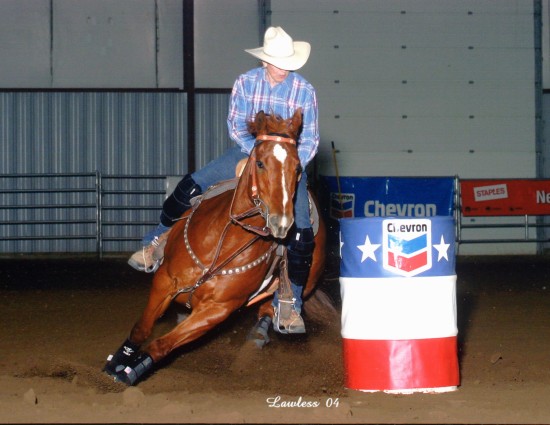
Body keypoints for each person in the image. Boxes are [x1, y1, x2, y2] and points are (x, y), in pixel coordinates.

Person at [128, 26, 319, 334]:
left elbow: (310, 138)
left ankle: (291, 304)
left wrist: (291, 167)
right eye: (279, 62)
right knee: (191, 184)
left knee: (302, 233)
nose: (285, 69)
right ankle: (155, 241)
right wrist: (251, 156)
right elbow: (235, 125)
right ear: (265, 61)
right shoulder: (246, 83)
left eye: (289, 63)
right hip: (246, 153)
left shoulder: (304, 90)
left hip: (285, 165)